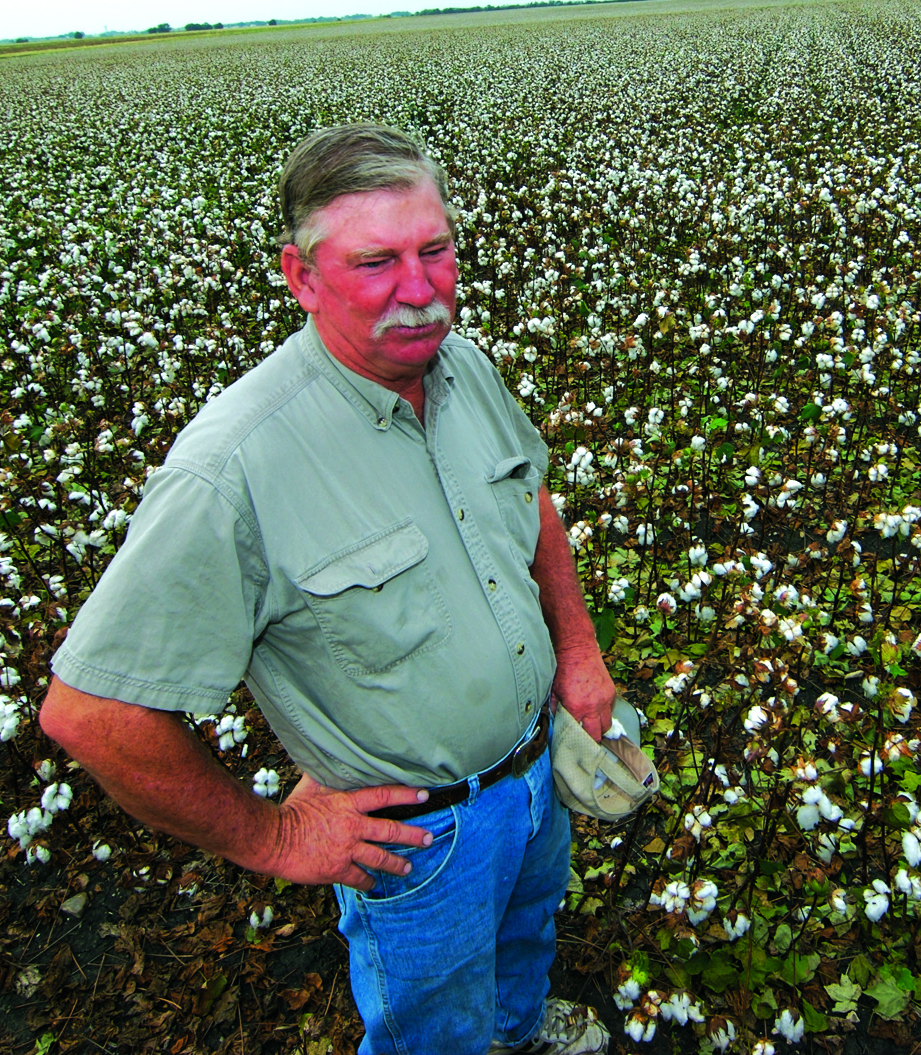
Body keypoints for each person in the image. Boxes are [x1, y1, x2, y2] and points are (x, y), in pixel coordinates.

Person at [39, 125, 616, 1054]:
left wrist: (578, 654)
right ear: (301, 277)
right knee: (433, 1029)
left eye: (435, 250)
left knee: (525, 939)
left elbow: (533, 500)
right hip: (418, 846)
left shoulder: (462, 366)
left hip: (539, 768)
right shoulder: (232, 470)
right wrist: (272, 837)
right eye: (375, 262)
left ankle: (519, 1031)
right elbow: (92, 714)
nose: (420, 289)